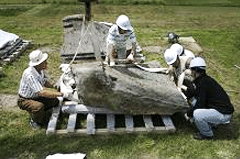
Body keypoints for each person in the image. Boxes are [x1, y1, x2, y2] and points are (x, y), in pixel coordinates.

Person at [186, 57, 234, 140]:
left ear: (195, 70)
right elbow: (195, 92)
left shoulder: (203, 83)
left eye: (191, 70)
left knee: (197, 114)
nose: (191, 72)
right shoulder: (204, 80)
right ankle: (212, 124)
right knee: (194, 103)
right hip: (220, 109)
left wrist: (188, 113)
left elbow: (200, 104)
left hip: (223, 114)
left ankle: (207, 134)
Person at [18, 50, 64, 129]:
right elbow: (42, 92)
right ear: (39, 64)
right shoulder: (30, 74)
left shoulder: (39, 70)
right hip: (25, 99)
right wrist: (61, 94)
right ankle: (35, 122)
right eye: (45, 62)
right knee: (39, 107)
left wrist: (55, 86)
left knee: (55, 101)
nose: (46, 63)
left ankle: (41, 112)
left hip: (36, 96)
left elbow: (44, 81)